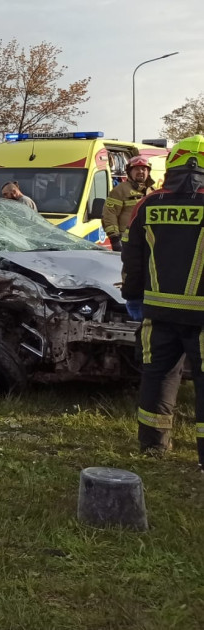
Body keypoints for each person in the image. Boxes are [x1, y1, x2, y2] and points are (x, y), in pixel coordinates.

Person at [120, 135, 204, 467]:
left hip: (157, 314)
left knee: (157, 377)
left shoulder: (149, 204)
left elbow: (133, 255)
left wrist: (132, 297)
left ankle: (153, 447)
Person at [103, 155, 154, 251]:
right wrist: (115, 239)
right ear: (129, 172)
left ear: (148, 172)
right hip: (128, 242)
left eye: (144, 169)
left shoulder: (153, 192)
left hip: (148, 243)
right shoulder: (120, 190)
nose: (141, 172)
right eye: (137, 169)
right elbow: (110, 214)